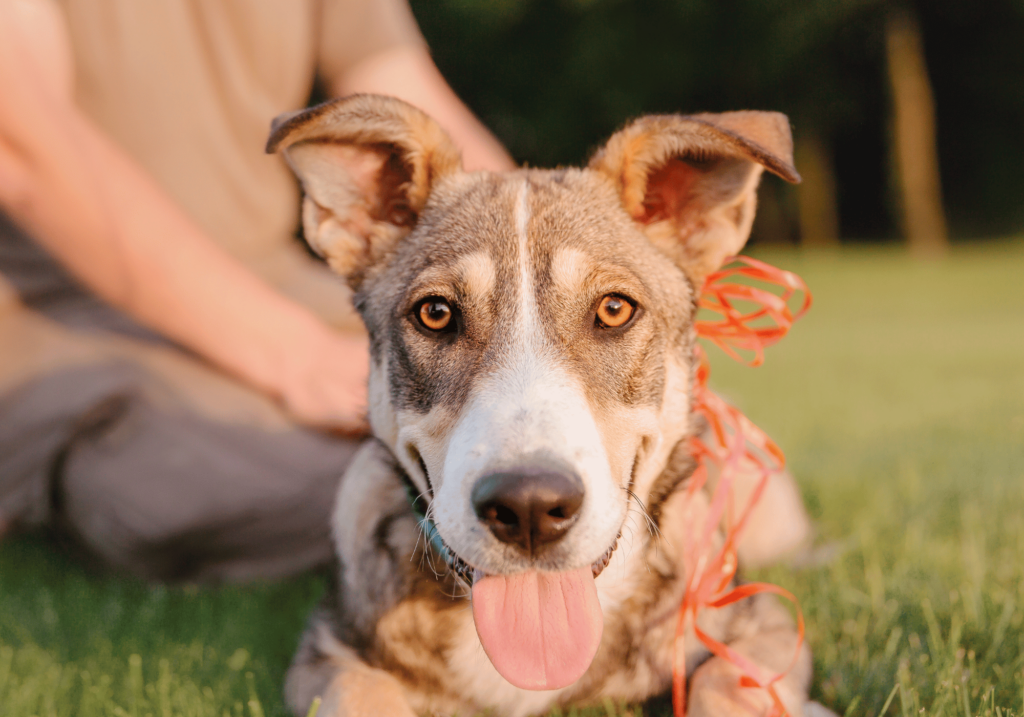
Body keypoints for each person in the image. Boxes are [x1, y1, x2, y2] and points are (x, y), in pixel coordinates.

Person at [0, 0, 513, 582]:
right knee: (266, 478)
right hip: (56, 308)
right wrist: (298, 357)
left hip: (277, 282)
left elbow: (398, 86)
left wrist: (533, 277)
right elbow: (22, 146)